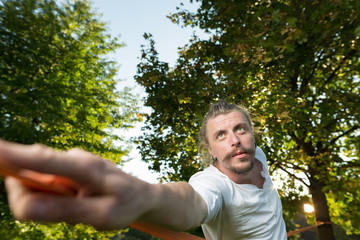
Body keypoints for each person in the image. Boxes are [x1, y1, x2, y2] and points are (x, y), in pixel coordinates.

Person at [2, 100, 287, 239]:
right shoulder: (214, 185)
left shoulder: (255, 154)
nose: (235, 140)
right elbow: (192, 201)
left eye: (240, 129)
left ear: (252, 133)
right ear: (210, 150)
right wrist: (144, 197)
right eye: (221, 135)